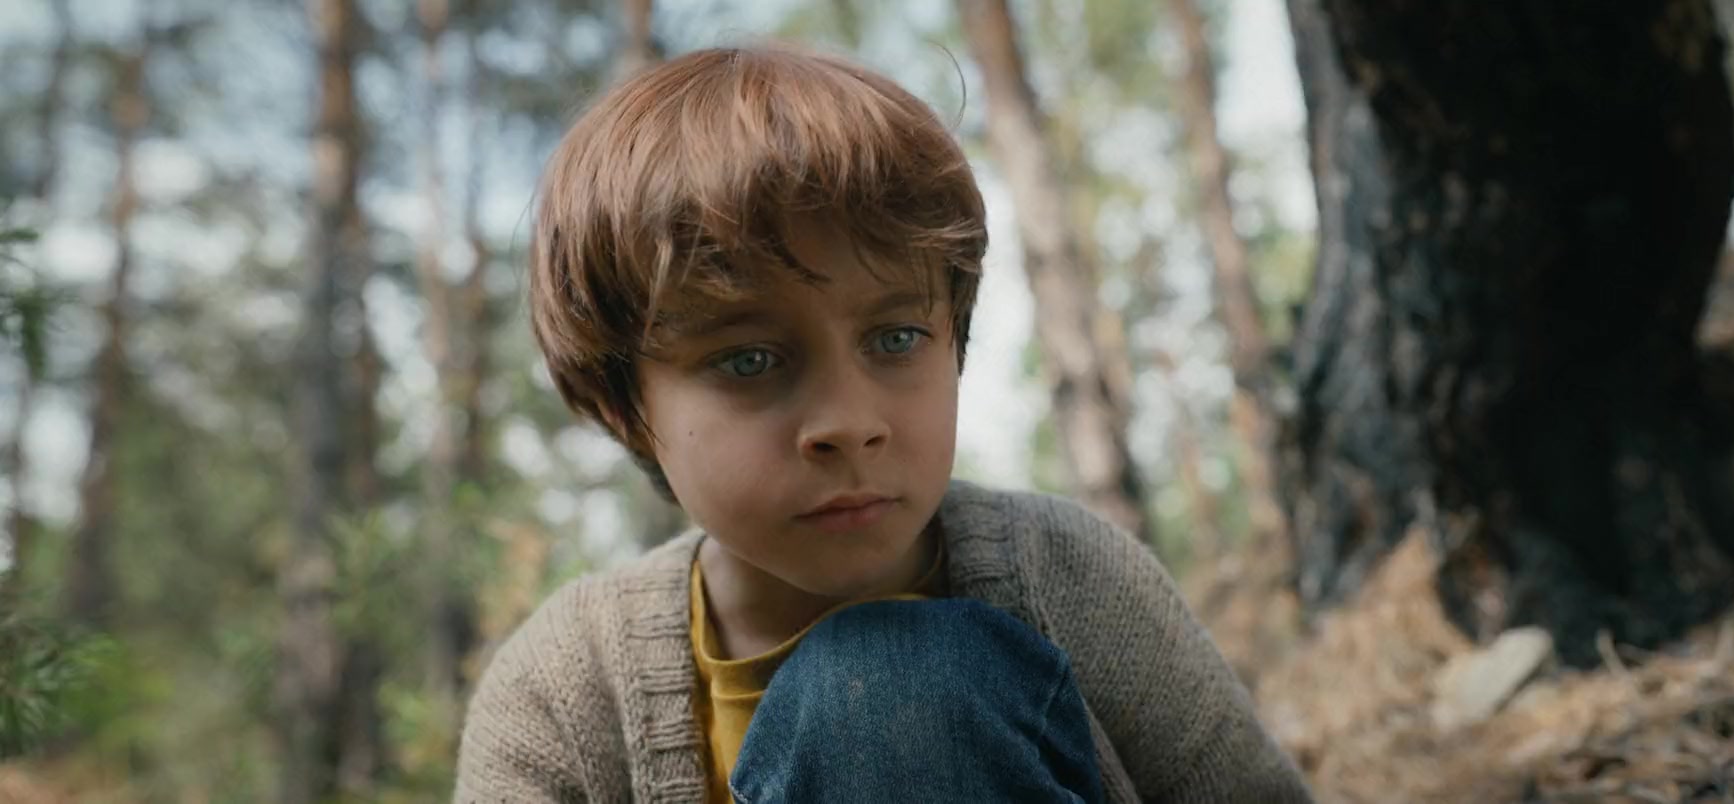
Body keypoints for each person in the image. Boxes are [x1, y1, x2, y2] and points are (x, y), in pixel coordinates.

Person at [453, 44, 1314, 804]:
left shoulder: (1074, 580)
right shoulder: (560, 694)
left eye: (896, 338)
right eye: (748, 361)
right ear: (625, 407)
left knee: (889, 689)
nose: (848, 424)